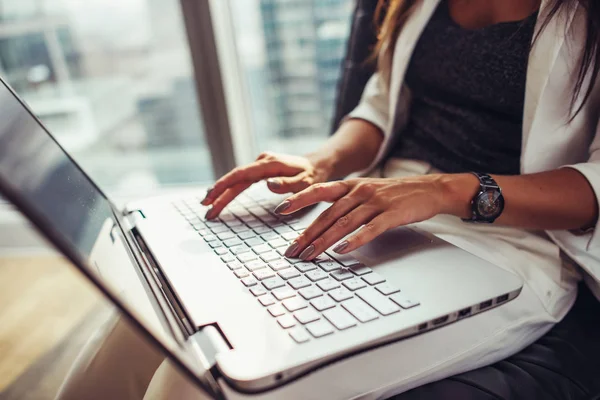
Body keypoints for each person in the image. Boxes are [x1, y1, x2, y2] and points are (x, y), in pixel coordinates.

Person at [57, 0, 600, 399]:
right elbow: (381, 108)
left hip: (507, 242)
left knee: (195, 382)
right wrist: (321, 162)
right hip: (373, 202)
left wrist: (445, 190)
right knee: (142, 325)